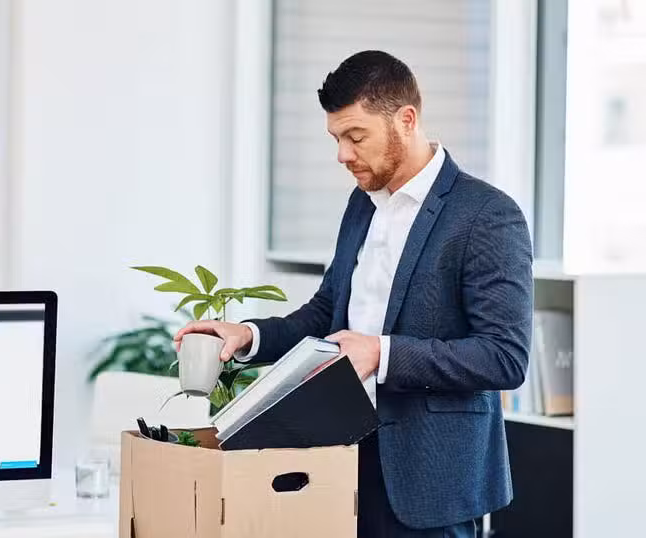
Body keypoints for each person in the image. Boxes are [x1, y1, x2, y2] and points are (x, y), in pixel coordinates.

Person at [175, 50, 532, 537]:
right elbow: (328, 312)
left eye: (356, 136)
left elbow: (504, 357)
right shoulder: (362, 204)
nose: (342, 155)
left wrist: (381, 353)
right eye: (336, 138)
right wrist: (248, 335)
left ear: (406, 120)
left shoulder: (486, 215)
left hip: (430, 481)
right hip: (341, 465)